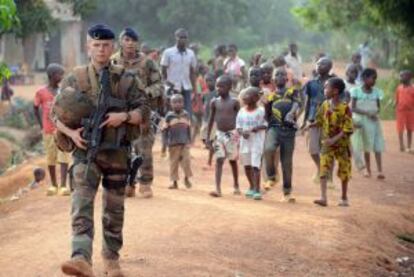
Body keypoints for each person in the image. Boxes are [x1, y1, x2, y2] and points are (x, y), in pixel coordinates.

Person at [56, 24, 150, 277]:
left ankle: (111, 259)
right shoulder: (74, 77)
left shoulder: (128, 79)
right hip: (85, 153)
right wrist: (71, 133)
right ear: (88, 47)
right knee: (81, 204)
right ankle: (80, 257)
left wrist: (125, 116)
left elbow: (145, 111)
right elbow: (56, 115)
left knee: (114, 209)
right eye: (96, 45)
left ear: (113, 47)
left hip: (117, 153)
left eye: (106, 45)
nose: (101, 49)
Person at [111, 27, 163, 199]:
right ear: (121, 42)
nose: (130, 43)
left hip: (143, 111)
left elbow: (159, 85)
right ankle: (128, 183)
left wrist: (144, 94)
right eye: (126, 40)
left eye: (133, 40)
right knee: (122, 148)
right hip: (119, 111)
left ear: (137, 43)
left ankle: (146, 182)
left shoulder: (147, 63)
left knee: (144, 148)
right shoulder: (113, 61)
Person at [309, 77, 353, 207]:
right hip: (327, 144)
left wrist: (334, 139)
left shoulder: (345, 108)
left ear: (335, 91)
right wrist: (311, 125)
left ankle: (344, 197)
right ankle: (323, 197)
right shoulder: (325, 104)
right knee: (323, 169)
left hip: (341, 145)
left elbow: (348, 129)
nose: (324, 90)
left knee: (344, 170)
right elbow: (320, 120)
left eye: (326, 87)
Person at [263, 67, 301, 201]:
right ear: (273, 80)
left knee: (286, 163)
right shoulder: (271, 96)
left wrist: (291, 113)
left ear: (287, 78)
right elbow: (267, 116)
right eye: (277, 74)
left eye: (282, 74)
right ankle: (271, 176)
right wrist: (267, 107)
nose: (279, 76)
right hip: (274, 128)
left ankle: (287, 192)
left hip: (289, 131)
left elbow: (297, 103)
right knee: (268, 149)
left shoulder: (292, 92)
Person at [34, 63, 71, 196]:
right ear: (51, 76)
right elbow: (35, 108)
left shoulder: (63, 91)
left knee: (64, 156)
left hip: (63, 131)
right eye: (59, 74)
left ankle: (63, 186)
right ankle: (54, 185)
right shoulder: (41, 92)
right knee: (51, 157)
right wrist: (41, 125)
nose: (61, 77)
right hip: (48, 130)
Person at [301, 57, 335, 184]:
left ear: (330, 66)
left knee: (328, 149)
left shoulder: (335, 82)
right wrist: (305, 120)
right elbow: (308, 102)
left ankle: (330, 177)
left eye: (323, 64)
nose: (319, 66)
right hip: (313, 118)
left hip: (330, 119)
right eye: (318, 64)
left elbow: (341, 100)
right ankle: (321, 169)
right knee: (313, 149)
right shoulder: (311, 83)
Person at [207, 75, 241, 197]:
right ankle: (218, 188)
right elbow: (211, 120)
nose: (218, 88)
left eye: (221, 86)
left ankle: (236, 184)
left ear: (229, 87)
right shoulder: (214, 102)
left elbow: (240, 120)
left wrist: (239, 136)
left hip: (232, 135)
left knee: (232, 161)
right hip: (219, 134)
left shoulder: (235, 102)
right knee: (219, 160)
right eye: (217, 86)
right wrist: (208, 137)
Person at [351, 68, 385, 179]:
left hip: (373, 122)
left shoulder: (377, 92)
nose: (374, 81)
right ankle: (367, 170)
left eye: (375, 79)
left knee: (377, 146)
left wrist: (375, 113)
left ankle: (380, 170)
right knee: (366, 147)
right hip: (362, 122)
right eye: (372, 78)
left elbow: (378, 107)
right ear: (364, 78)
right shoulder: (356, 91)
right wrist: (367, 113)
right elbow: (353, 108)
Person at [236, 87, 267, 200]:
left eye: (247, 95)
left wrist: (256, 128)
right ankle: (251, 186)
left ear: (255, 98)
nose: (244, 97)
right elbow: (238, 126)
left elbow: (266, 124)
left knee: (255, 166)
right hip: (245, 142)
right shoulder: (242, 111)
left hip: (257, 142)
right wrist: (242, 132)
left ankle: (257, 190)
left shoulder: (261, 111)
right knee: (247, 165)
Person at [161, 28, 197, 116]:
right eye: (181, 37)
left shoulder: (191, 53)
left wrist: (195, 90)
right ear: (176, 38)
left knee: (187, 113)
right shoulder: (168, 52)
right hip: (172, 88)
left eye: (185, 37)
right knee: (171, 113)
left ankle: (186, 129)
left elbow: (192, 72)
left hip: (186, 87)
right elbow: (163, 69)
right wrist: (166, 83)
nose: (183, 40)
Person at [162, 94, 193, 189]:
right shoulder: (169, 116)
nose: (177, 104)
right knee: (174, 163)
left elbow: (188, 128)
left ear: (183, 103)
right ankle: (174, 182)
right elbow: (164, 130)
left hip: (184, 143)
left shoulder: (186, 115)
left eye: (180, 102)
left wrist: (189, 140)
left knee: (186, 161)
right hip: (173, 144)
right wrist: (164, 144)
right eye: (174, 102)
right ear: (170, 104)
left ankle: (186, 178)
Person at [345, 64, 365, 172]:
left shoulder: (359, 86)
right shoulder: (342, 84)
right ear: (346, 72)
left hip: (356, 116)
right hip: (343, 116)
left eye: (355, 72)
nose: (354, 74)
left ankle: (359, 163)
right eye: (351, 71)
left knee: (356, 141)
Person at [395, 70, 414, 153]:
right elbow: (397, 98)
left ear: (410, 78)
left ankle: (409, 146)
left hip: (411, 111)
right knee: (400, 128)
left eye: (403, 76)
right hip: (400, 111)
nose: (401, 78)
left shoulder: (413, 88)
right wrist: (395, 104)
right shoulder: (399, 88)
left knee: (410, 128)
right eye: (400, 76)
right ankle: (401, 145)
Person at [201, 73, 217, 168]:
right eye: (206, 81)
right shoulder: (205, 94)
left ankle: (209, 162)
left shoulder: (217, 93)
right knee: (203, 138)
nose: (208, 83)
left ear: (215, 81)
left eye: (210, 80)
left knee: (210, 140)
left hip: (214, 120)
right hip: (206, 119)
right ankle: (214, 150)